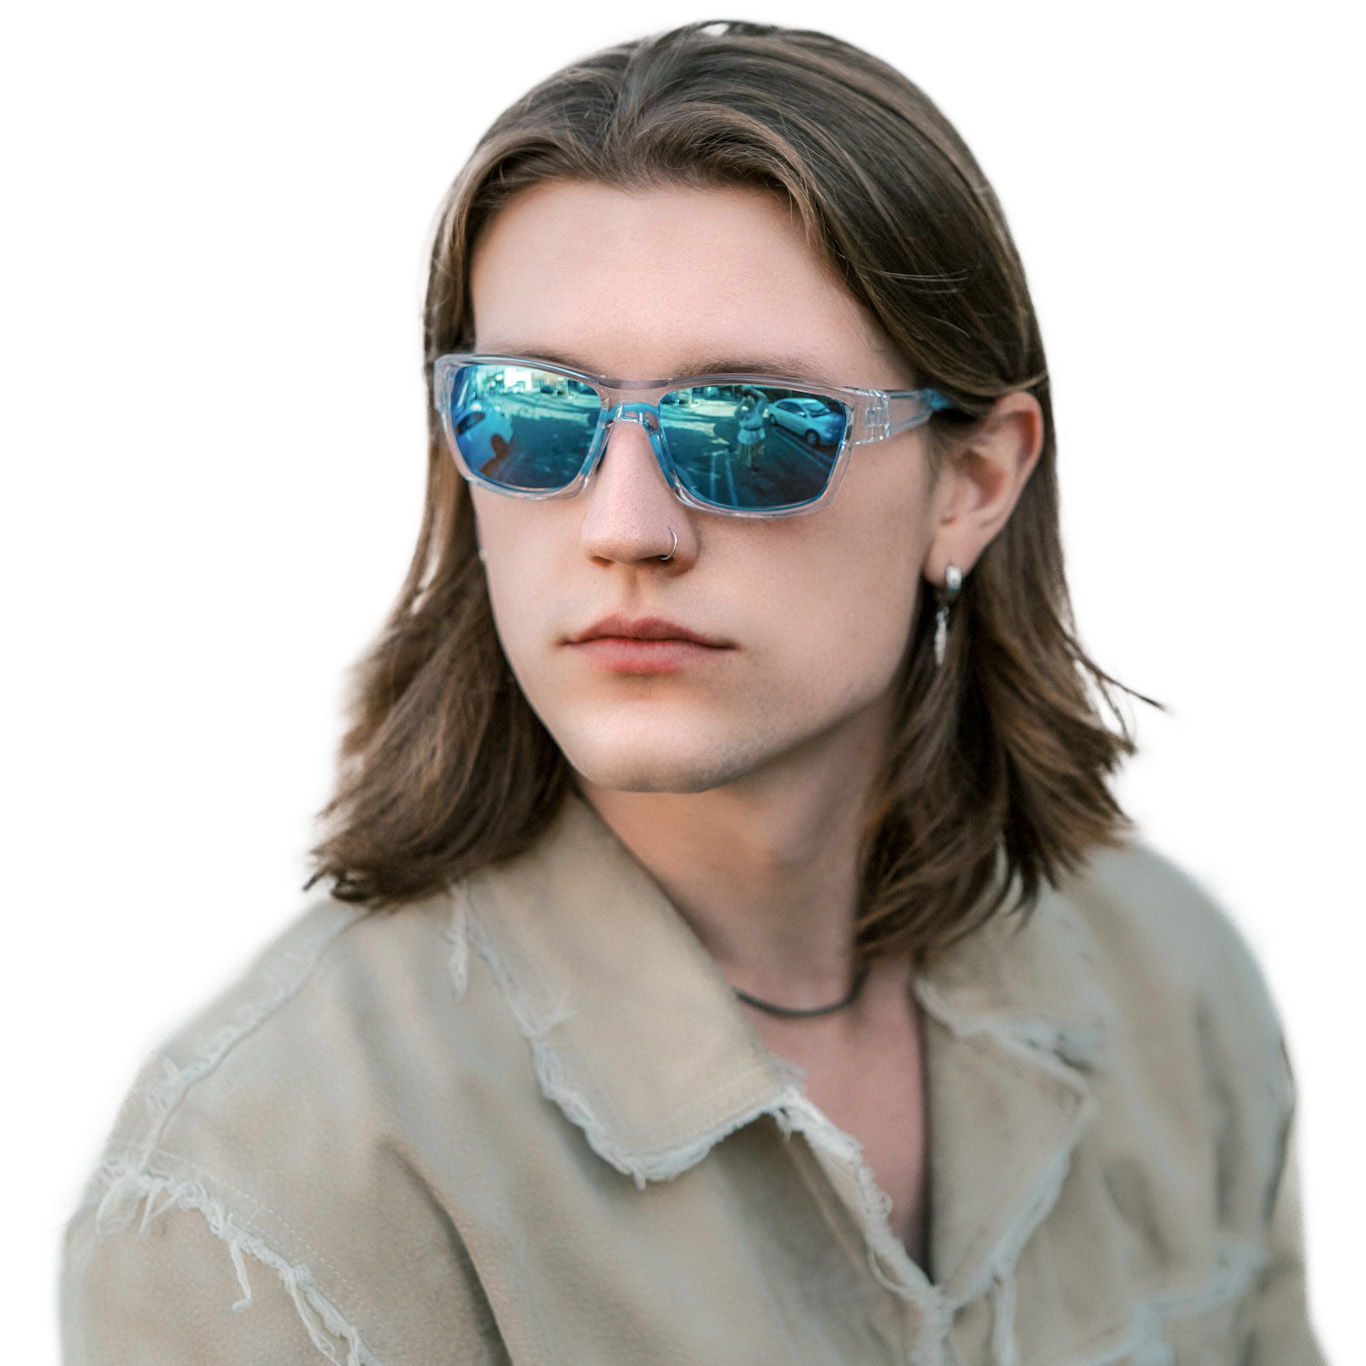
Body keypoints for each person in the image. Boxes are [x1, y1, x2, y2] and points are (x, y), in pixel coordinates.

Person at [60, 21, 1325, 1365]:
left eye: (747, 426)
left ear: (971, 483)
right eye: (530, 413)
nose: (626, 526)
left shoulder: (1170, 989)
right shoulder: (259, 1188)